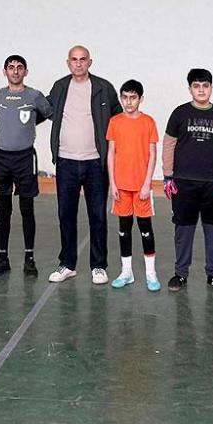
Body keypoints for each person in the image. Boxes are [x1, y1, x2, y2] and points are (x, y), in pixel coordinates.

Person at [46, 45, 122, 285]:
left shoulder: (103, 88)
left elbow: (118, 120)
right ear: (68, 63)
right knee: (66, 214)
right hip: (66, 161)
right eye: (74, 59)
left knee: (97, 216)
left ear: (90, 62)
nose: (78, 63)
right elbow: (45, 111)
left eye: (83, 59)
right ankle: (67, 264)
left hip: (95, 163)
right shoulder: (59, 87)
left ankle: (98, 266)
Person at [162, 68, 213, 294]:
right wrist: (168, 175)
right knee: (184, 230)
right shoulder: (179, 113)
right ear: (190, 89)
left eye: (205, 86)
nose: (201, 90)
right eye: (196, 86)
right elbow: (169, 144)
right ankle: (180, 274)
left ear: (211, 88)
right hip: (184, 182)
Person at [0, 55, 52, 279]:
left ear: (26, 71)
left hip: (25, 158)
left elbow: (50, 114)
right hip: (2, 158)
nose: (15, 71)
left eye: (19, 67)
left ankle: (29, 258)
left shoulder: (34, 96)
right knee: (4, 210)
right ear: (4, 71)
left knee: (26, 209)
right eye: (11, 67)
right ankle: (2, 258)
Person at [106, 79, 159, 291]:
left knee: (145, 228)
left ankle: (151, 274)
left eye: (133, 98)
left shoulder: (148, 122)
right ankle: (126, 272)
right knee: (124, 229)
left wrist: (147, 183)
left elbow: (152, 154)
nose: (129, 102)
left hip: (141, 187)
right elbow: (111, 153)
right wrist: (113, 183)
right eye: (125, 97)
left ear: (140, 99)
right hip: (121, 186)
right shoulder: (115, 122)